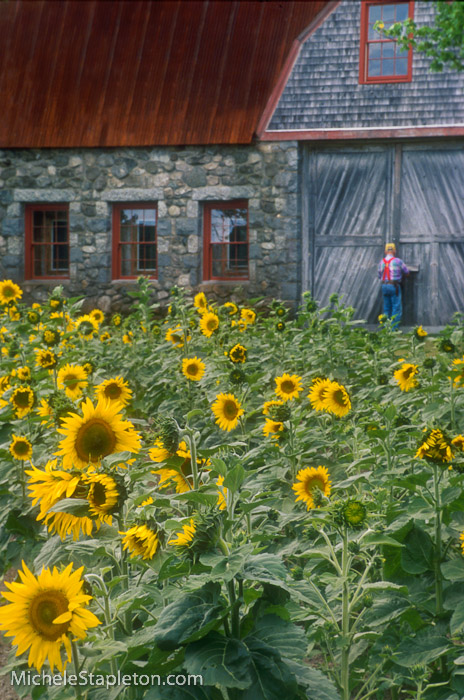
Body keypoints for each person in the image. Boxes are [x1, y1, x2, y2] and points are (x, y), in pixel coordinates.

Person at [378, 243, 409, 328]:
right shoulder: (398, 261)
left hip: (384, 285)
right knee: (396, 307)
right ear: (394, 251)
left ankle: (386, 328)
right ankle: (394, 329)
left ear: (385, 251)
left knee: (386, 307)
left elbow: (379, 275)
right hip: (394, 286)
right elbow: (406, 272)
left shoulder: (381, 262)